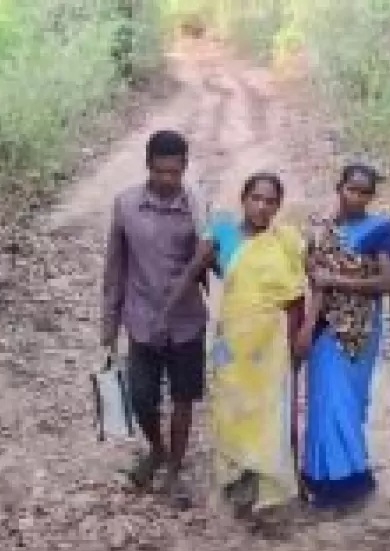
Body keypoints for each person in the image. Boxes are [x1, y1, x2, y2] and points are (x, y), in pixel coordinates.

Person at [164, 172, 312, 525]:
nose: (262, 207)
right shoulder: (222, 233)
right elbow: (196, 270)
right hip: (232, 339)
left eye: (270, 201)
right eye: (256, 198)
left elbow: (296, 297)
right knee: (229, 408)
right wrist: (165, 314)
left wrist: (298, 340)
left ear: (278, 206)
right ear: (243, 199)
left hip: (271, 342)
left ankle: (270, 491)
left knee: (271, 412)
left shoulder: (286, 241)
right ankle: (236, 478)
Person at [299, 163, 390, 510]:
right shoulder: (323, 230)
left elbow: (386, 283)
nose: (358, 197)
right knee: (322, 400)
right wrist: (306, 326)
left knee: (343, 400)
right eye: (352, 189)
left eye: (365, 192)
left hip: (360, 330)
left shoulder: (381, 230)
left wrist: (337, 282)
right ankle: (320, 479)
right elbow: (314, 279)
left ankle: (350, 482)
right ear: (339, 187)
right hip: (324, 326)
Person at [101, 130, 209, 505]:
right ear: (148, 165)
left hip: (186, 321)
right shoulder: (126, 205)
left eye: (175, 173)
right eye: (160, 171)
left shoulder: (197, 206)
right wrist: (109, 326)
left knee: (183, 398)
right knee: (141, 397)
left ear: (184, 168)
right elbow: (114, 268)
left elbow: (212, 257)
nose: (167, 180)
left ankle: (176, 468)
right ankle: (157, 449)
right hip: (142, 320)